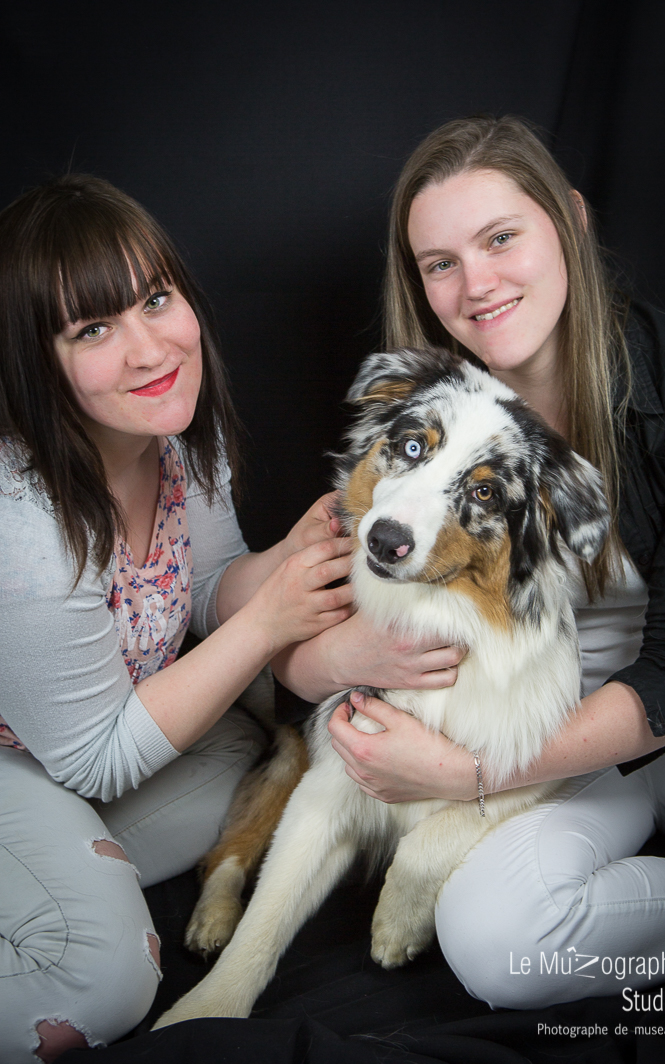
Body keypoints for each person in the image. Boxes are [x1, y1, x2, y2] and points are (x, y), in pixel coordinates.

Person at [278, 115, 665, 1008]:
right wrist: (321, 656)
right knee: (499, 946)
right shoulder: (426, 410)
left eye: (500, 238)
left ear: (571, 221)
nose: (476, 285)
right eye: (440, 262)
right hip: (554, 753)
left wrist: (466, 777)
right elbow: (281, 591)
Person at [0, 174, 364, 1063]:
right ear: (34, 364)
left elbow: (203, 588)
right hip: (23, 756)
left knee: (247, 751)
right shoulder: (27, 529)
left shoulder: (168, 438)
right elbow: (91, 758)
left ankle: (54, 883)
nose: (149, 347)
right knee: (106, 981)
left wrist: (290, 556)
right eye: (93, 329)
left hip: (79, 750)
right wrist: (268, 622)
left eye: (156, 299)